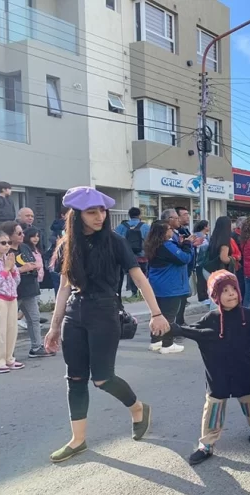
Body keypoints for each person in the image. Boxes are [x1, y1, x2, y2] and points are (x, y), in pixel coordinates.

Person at [43, 187, 169, 463]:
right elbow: (64, 288)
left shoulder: (114, 241)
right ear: (77, 215)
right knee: (75, 379)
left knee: (102, 379)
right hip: (74, 315)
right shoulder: (67, 244)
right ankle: (78, 440)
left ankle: (137, 408)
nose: (100, 216)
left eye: (102, 210)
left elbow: (139, 278)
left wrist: (157, 314)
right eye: (92, 212)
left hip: (105, 311)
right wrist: (53, 327)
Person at [166, 270, 250, 465]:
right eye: (225, 290)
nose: (231, 294)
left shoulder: (249, 316)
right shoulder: (210, 319)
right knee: (213, 406)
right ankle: (207, 444)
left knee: (249, 400)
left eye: (234, 289)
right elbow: (191, 331)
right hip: (217, 374)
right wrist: (169, 327)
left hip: (243, 371)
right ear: (215, 296)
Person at [0, 221, 53, 359]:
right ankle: (7, 352)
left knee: (34, 319)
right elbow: (1, 271)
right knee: (8, 323)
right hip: (11, 292)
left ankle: (36, 347)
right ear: (9, 235)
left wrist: (33, 267)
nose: (22, 235)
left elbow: (32, 261)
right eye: (18, 233)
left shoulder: (24, 247)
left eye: (22, 232)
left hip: (29, 288)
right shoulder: (4, 250)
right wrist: (22, 269)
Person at [143, 220, 193, 354]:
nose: (172, 231)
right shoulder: (167, 245)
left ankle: (155, 341)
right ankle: (168, 344)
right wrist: (188, 244)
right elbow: (184, 258)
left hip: (157, 284)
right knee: (169, 316)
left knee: (158, 314)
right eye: (170, 229)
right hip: (170, 286)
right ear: (163, 232)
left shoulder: (152, 245)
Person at [0, 230, 22, 374]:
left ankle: (9, 358)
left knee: (12, 329)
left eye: (8, 243)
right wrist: (5, 269)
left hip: (12, 297)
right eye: (3, 243)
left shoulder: (8, 259)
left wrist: (13, 270)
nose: (7, 246)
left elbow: (17, 281)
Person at [115, 207, 150, 296]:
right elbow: (149, 240)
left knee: (130, 274)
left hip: (126, 255)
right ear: (139, 215)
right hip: (142, 255)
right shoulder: (145, 226)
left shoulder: (122, 226)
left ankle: (133, 292)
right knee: (142, 273)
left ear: (129, 215)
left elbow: (115, 239)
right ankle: (142, 292)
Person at [193, 219, 210, 302]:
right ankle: (202, 296)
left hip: (204, 262)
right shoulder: (199, 236)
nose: (209, 227)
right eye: (208, 225)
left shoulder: (205, 236)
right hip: (200, 262)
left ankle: (205, 295)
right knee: (201, 280)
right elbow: (201, 250)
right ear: (205, 227)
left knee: (204, 279)